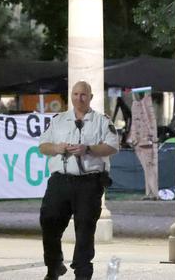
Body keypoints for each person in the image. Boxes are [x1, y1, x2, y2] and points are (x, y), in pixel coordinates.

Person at [39, 81, 119, 280]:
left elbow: (112, 147)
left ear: (90, 97)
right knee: (49, 221)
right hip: (60, 180)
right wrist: (57, 148)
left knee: (84, 227)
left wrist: (88, 149)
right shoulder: (59, 120)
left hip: (89, 182)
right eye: (75, 94)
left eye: (83, 94)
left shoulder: (101, 121)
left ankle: (82, 272)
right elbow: (43, 146)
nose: (79, 98)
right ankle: (54, 265)